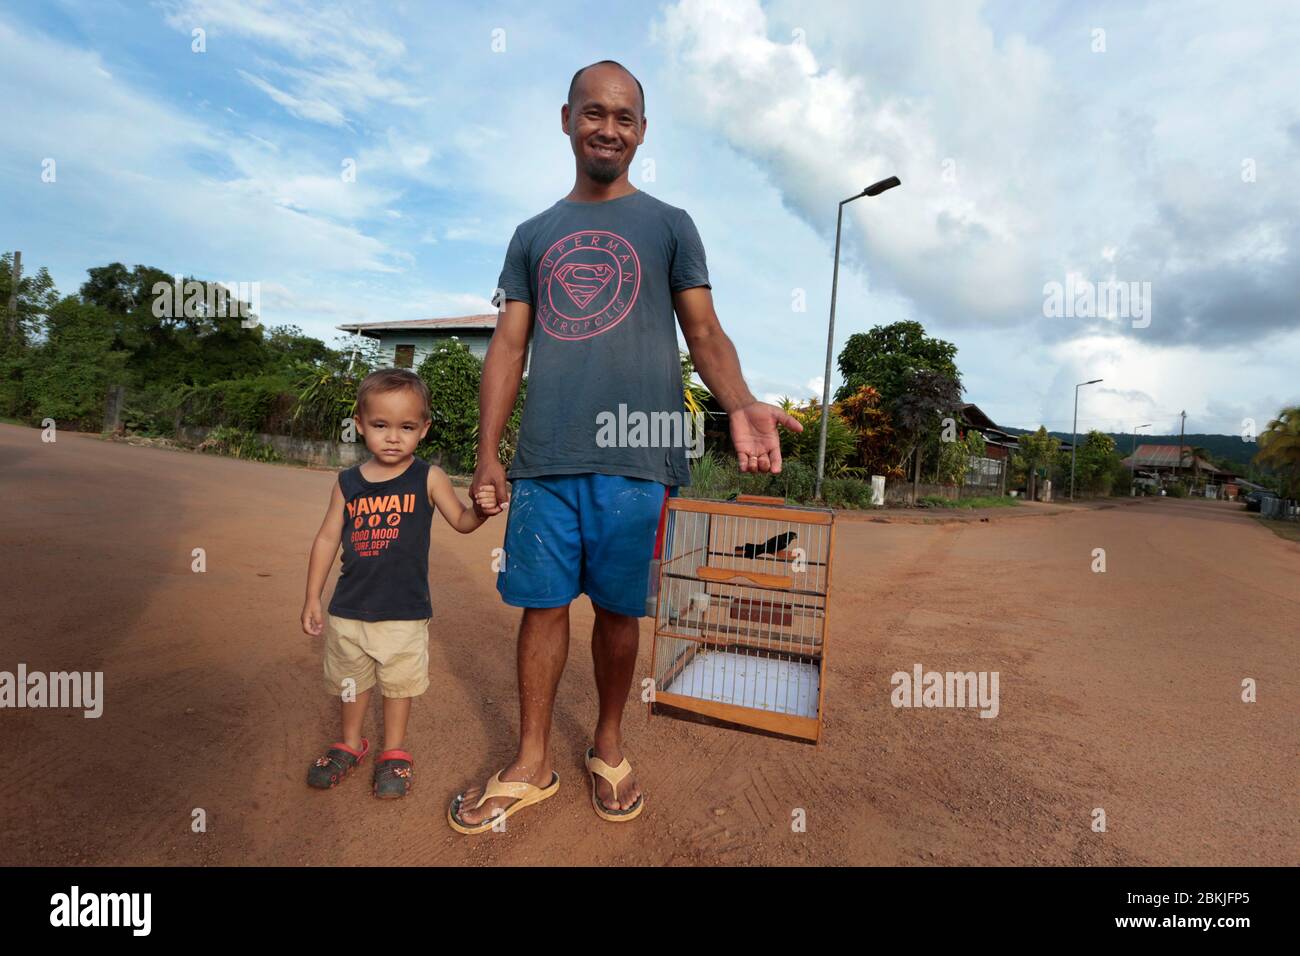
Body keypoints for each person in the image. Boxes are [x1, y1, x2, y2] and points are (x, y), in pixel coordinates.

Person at [448, 60, 800, 833]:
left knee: (617, 612)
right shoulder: (532, 235)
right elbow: (508, 348)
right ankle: (533, 759)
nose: (609, 128)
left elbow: (703, 330)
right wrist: (488, 452)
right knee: (540, 610)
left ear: (642, 130)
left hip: (644, 459)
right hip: (546, 457)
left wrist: (739, 404)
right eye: (594, 113)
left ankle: (607, 745)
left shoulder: (670, 224)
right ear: (566, 117)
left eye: (625, 117)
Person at [302, 368, 498, 798]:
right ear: (359, 424)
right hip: (349, 607)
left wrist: (482, 511)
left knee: (398, 684)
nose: (393, 437)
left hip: (404, 610)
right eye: (380, 425)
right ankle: (350, 744)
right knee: (351, 682)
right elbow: (326, 538)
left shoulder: (428, 477)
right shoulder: (347, 483)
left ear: (423, 429)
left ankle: (394, 751)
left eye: (406, 427)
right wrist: (312, 597)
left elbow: (463, 521)